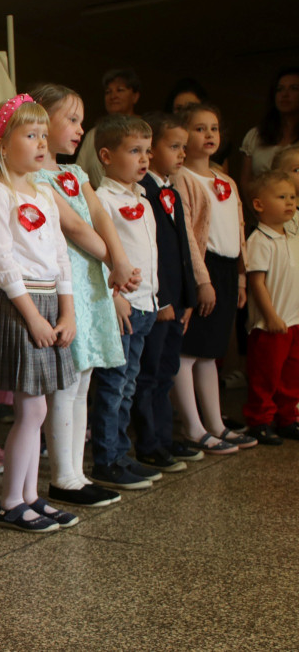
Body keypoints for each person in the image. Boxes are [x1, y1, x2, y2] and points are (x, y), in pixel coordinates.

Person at [0, 94, 78, 532]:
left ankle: (31, 495)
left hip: (49, 302)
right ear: (1, 143)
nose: (40, 144)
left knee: (42, 409)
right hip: (20, 305)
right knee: (30, 411)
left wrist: (67, 311)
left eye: (43, 136)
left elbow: (61, 256)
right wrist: (32, 315)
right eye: (29, 135)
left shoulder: (46, 195)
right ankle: (11, 500)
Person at [32, 83, 137, 507]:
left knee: (84, 381)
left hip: (92, 281)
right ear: (41, 121)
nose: (80, 129)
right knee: (66, 382)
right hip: (67, 283)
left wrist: (120, 259)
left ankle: (76, 472)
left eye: (80, 121)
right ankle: (62, 477)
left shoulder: (74, 173)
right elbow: (73, 227)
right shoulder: (34, 177)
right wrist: (114, 262)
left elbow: (98, 216)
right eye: (71, 120)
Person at [172, 103, 256, 454]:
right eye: (199, 128)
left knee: (210, 353)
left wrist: (240, 277)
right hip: (200, 270)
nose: (209, 135)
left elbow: (238, 229)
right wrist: (201, 280)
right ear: (182, 137)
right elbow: (189, 235)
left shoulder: (226, 180)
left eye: (214, 128)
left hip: (224, 269)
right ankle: (192, 425)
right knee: (189, 351)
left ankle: (216, 423)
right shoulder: (181, 178)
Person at [87, 115, 163, 490]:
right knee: (114, 384)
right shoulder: (101, 200)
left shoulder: (143, 197)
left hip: (146, 303)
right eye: (134, 151)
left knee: (129, 383)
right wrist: (113, 298)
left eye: (147, 151)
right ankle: (106, 459)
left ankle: (120, 451)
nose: (144, 158)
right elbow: (100, 255)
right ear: (106, 155)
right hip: (123, 305)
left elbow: (147, 253)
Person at [132, 112, 200, 469]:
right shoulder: (144, 192)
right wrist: (163, 301)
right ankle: (148, 442)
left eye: (183, 148)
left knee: (167, 371)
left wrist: (186, 298)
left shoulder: (170, 191)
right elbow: (150, 253)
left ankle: (164, 438)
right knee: (150, 373)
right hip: (158, 300)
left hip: (175, 299)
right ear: (152, 150)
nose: (181, 154)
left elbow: (181, 252)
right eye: (174, 146)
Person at [242, 170, 299, 444]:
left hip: (294, 319)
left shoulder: (292, 236)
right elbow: (257, 284)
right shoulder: (259, 241)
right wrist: (271, 316)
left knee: (291, 373)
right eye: (281, 197)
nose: (290, 202)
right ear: (259, 204)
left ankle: (287, 418)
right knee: (265, 374)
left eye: (292, 197)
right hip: (270, 323)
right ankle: (259, 420)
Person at [77, 68, 142, 188]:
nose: (113, 96)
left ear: (135, 96)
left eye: (120, 90)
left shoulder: (145, 131)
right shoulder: (94, 133)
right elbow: (80, 173)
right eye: (108, 92)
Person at [240, 67, 299, 197]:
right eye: (280, 89)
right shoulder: (255, 135)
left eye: (294, 88)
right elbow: (246, 182)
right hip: (261, 209)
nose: (285, 94)